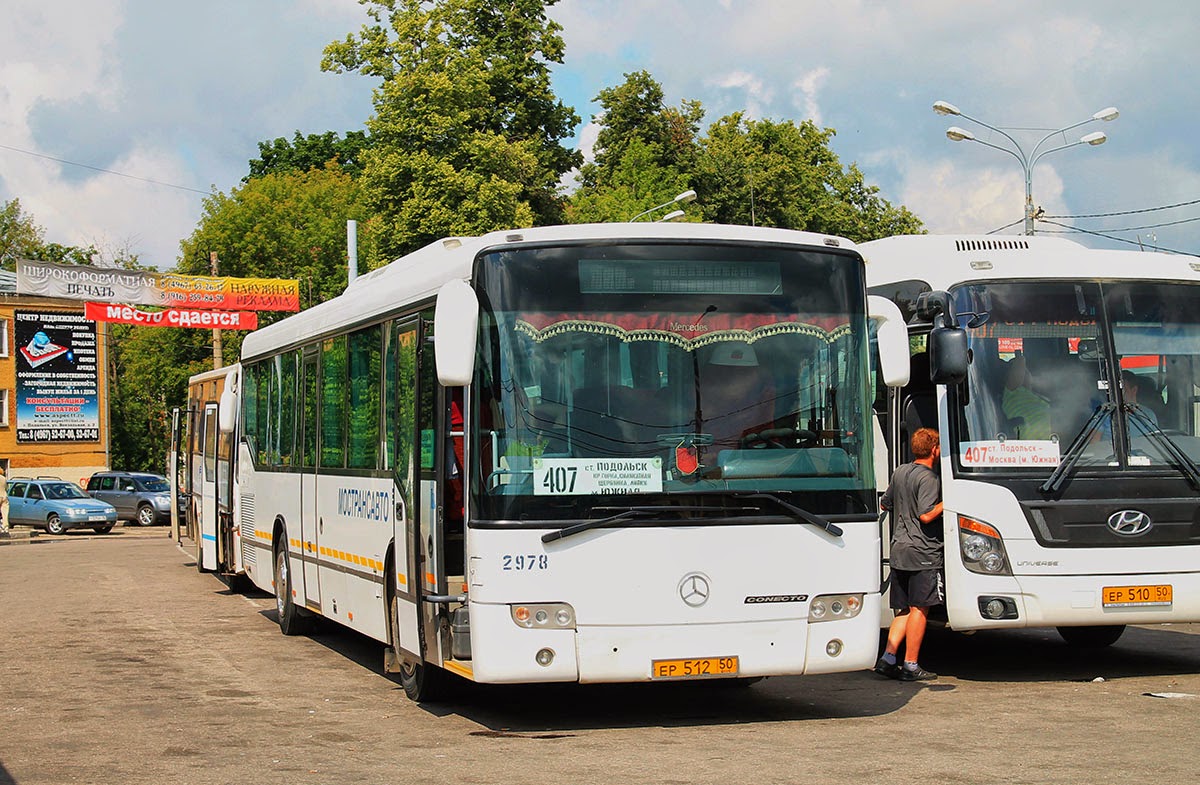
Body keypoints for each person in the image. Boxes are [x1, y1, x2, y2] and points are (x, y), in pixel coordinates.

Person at [875, 427, 944, 681]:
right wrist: (949, 502)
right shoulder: (929, 479)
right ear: (935, 449)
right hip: (922, 551)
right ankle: (911, 665)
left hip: (899, 549)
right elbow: (926, 514)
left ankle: (888, 658)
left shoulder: (900, 471)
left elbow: (885, 503)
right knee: (919, 609)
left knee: (903, 609)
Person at [1001, 353, 1052, 439]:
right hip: (1028, 446)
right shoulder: (1012, 393)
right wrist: (1019, 356)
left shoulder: (1039, 397)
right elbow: (1020, 364)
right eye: (1025, 371)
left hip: (1052, 444)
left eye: (1027, 371)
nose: (1027, 374)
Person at [0, 466, 9, 536]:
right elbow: (6, 487)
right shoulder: (4, 478)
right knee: (5, 513)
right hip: (4, 496)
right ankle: (5, 527)